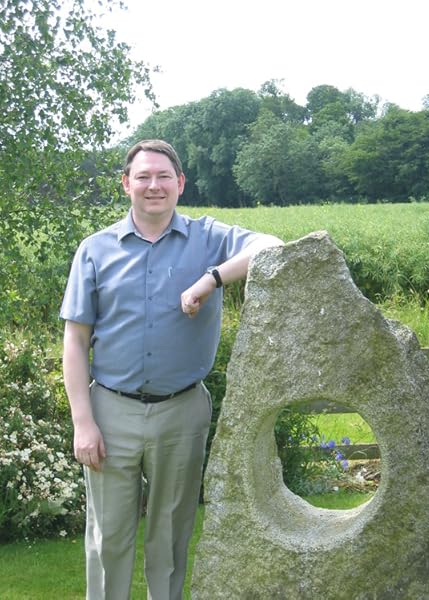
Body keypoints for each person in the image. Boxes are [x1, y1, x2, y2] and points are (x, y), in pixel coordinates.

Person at [61, 139, 283, 600]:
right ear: (126, 184)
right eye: (143, 176)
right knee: (108, 540)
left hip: (182, 412)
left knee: (170, 539)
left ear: (180, 183)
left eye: (163, 176)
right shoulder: (95, 250)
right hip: (110, 413)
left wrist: (211, 278)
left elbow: (273, 246)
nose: (154, 185)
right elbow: (75, 342)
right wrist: (83, 422)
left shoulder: (208, 239)